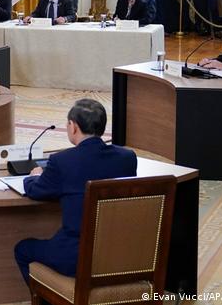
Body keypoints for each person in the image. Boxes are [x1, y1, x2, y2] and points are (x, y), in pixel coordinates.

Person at [13, 98, 137, 282]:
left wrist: (34, 176)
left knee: (23, 249)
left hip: (75, 256)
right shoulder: (127, 158)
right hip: (120, 253)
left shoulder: (62, 161)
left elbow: (37, 191)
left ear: (73, 127)